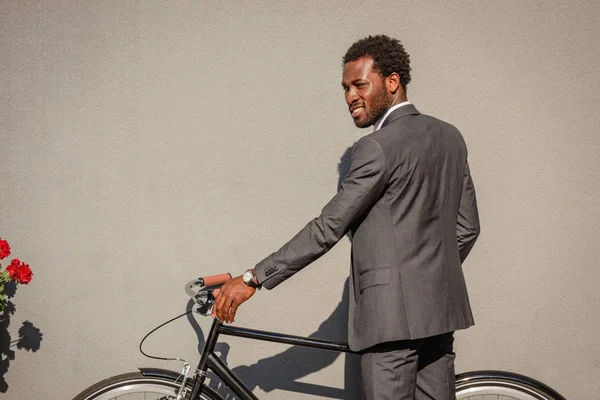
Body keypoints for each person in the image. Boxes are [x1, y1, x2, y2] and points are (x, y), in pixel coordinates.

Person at [213, 34, 480, 399]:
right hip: (441, 313)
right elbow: (467, 228)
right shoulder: (450, 137)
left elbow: (327, 228)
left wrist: (252, 278)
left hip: (391, 325)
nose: (350, 96)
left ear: (392, 82)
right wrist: (426, 277)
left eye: (360, 85)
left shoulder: (376, 147)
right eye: (345, 88)